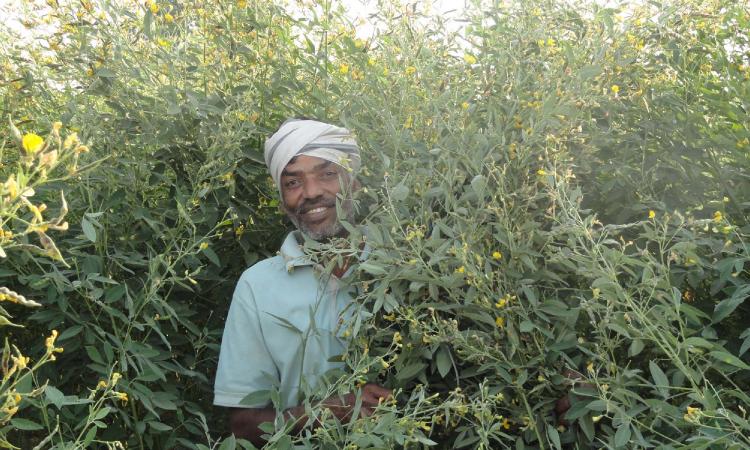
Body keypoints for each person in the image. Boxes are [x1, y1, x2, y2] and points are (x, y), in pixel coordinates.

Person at [213, 118, 392, 446]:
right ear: (281, 198)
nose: (311, 193)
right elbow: (243, 425)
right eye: (293, 182)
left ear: (354, 182)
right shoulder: (257, 286)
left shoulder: (404, 264)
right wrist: (327, 411)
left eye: (327, 174)